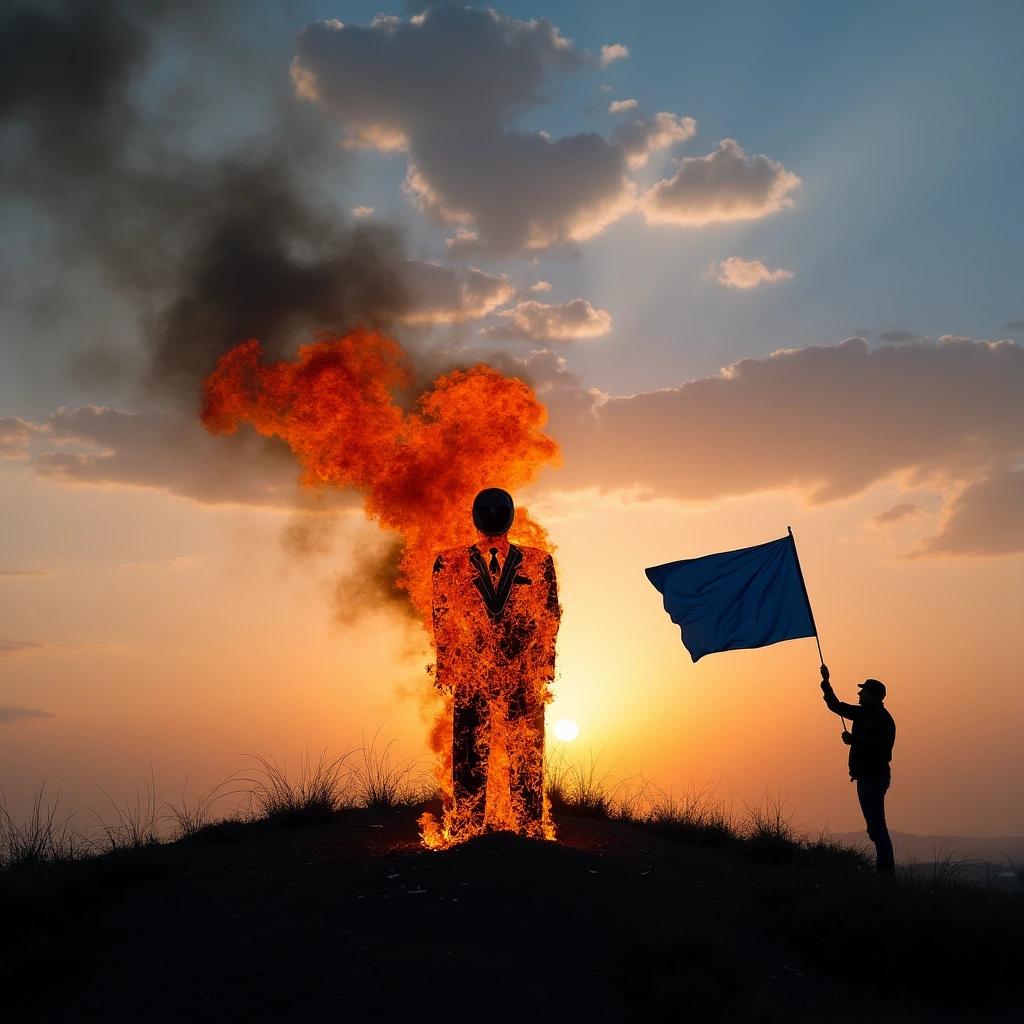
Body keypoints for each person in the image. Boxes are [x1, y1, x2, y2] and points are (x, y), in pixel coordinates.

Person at [432, 488, 559, 837]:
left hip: (520, 670)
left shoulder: (537, 561)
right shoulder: (449, 561)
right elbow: (442, 618)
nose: (490, 517)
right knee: (469, 752)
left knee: (525, 752)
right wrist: (447, 665)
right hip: (473, 668)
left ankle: (530, 826)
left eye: (494, 511)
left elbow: (549, 614)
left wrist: (543, 664)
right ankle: (467, 826)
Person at [819, 664, 897, 874]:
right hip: (867, 778)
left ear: (874, 695)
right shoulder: (865, 713)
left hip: (874, 778)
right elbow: (837, 707)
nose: (859, 693)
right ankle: (885, 871)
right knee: (875, 827)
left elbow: (880, 750)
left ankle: (887, 874)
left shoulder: (883, 720)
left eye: (863, 691)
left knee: (877, 828)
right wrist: (826, 683)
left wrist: (855, 740)